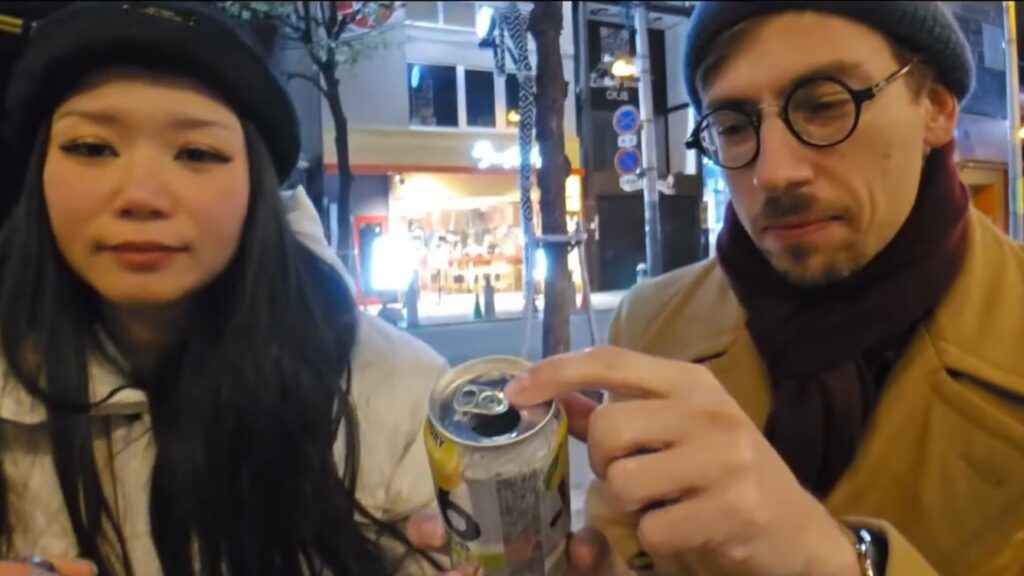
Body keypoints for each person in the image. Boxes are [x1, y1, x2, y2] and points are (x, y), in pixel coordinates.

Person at [486, 2, 1024, 575]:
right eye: (735, 127)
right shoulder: (654, 326)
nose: (773, 172)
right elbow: (631, 555)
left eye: (824, 105)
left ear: (937, 108)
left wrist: (837, 563)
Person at [0, 2, 449, 575]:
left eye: (196, 153)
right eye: (92, 148)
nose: (141, 195)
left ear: (256, 185)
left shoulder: (399, 393)